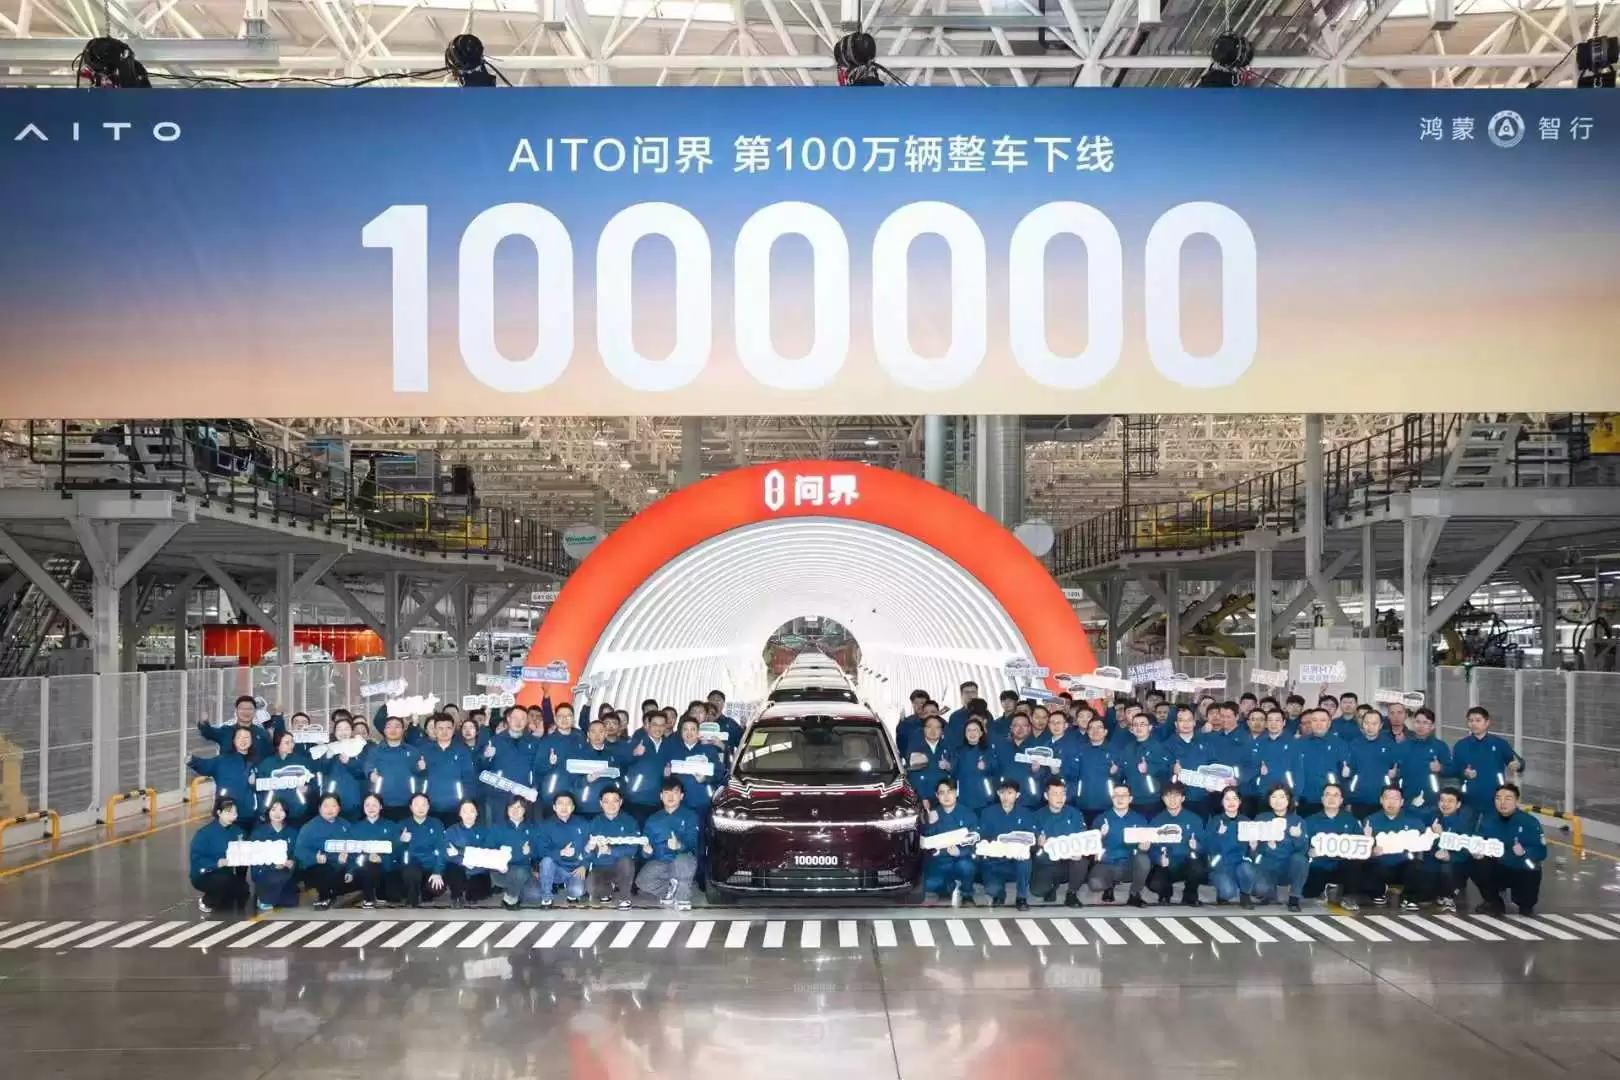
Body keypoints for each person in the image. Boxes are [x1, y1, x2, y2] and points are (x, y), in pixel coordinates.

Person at [1473, 783, 1545, 916]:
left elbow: (1542, 852)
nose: (1502, 802)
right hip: (1499, 866)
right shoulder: (1488, 819)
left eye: (1508, 798)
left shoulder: (1530, 822)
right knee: (1476, 863)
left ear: (1516, 800)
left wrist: (1525, 852)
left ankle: (1525, 902)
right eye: (1498, 798)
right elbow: (1478, 840)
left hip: (1522, 868)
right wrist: (1477, 851)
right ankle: (1493, 901)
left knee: (1526, 907)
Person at [1452, 707, 1525, 825]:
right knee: (1467, 831)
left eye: (1478, 720)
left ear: (1487, 722)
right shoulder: (1460, 745)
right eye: (1470, 721)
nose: (1474, 724)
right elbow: (1454, 769)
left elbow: (1518, 763)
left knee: (1493, 830)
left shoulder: (1499, 743)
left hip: (1495, 798)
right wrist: (1464, 772)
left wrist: (1516, 765)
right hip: (1469, 799)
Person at [638, 778, 701, 910]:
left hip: (683, 858)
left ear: (681, 796)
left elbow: (694, 841)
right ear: (661, 796)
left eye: (675, 792)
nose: (670, 796)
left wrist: (679, 845)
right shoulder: (652, 819)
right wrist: (646, 851)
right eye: (666, 793)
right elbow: (644, 848)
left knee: (682, 861)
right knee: (641, 881)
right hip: (661, 862)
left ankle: (682, 897)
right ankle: (670, 889)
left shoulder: (691, 816)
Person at [1302, 782, 1364, 911]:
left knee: (1356, 863)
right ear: (1322, 799)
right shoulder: (1309, 821)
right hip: (1318, 867)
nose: (1331, 798)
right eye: (1328, 794)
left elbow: (1360, 847)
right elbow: (1301, 846)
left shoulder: (1351, 821)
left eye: (1336, 795)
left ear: (1341, 800)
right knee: (1309, 894)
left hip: (1341, 867)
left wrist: (1367, 838)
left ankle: (1347, 896)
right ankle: (1328, 889)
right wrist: (1309, 851)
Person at [1363, 784, 1426, 910]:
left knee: (1417, 865)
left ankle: (1409, 898)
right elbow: (1362, 850)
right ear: (1381, 800)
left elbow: (1425, 842)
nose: (1391, 802)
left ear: (1402, 802)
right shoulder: (1370, 821)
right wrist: (1371, 849)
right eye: (1387, 798)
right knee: (1367, 867)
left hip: (1404, 865)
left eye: (1395, 798)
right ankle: (1379, 891)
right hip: (1381, 865)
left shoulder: (1414, 821)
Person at [1248, 785, 1309, 912]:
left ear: (1289, 800)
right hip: (1267, 866)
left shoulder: (1298, 821)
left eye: (1282, 797)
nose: (1278, 800)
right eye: (1274, 796)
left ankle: (1294, 899)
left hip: (1287, 867)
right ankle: (1269, 893)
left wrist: (1298, 837)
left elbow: (1303, 850)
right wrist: (1254, 847)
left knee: (1300, 860)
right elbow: (1254, 852)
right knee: (1259, 889)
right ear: (1269, 799)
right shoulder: (1261, 819)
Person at [977, 779, 1035, 910]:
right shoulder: (987, 813)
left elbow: (1032, 837)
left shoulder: (1025, 813)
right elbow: (981, 837)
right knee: (992, 890)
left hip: (1016, 861)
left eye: (1010, 793)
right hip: (995, 860)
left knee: (1025, 860)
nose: (1006, 797)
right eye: (1002, 793)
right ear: (998, 793)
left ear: (1017, 795)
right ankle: (999, 893)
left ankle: (1021, 898)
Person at [1090, 781, 1150, 907]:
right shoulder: (1101, 819)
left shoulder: (1139, 819)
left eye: (1124, 795)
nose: (1120, 798)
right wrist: (1100, 836)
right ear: (1112, 798)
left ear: (1130, 799)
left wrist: (1143, 847)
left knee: (1144, 860)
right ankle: (1109, 886)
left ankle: (1134, 894)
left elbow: (1146, 843)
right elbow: (1091, 845)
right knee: (1095, 884)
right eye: (1116, 795)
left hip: (1129, 864)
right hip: (1108, 862)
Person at [1146, 781, 1206, 906]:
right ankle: (1165, 893)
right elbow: (1151, 848)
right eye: (1168, 796)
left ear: (1183, 798)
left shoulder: (1195, 819)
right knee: (1154, 883)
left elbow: (1206, 844)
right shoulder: (1156, 821)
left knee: (1198, 869)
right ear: (1163, 799)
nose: (1172, 800)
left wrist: (1197, 846)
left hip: (1187, 863)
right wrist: (1158, 859)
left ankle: (1190, 895)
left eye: (1176, 796)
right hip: (1167, 864)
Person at [1031, 777, 1088, 907]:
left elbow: (1083, 838)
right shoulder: (1036, 816)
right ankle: (1052, 886)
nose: (1060, 798)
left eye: (1063, 793)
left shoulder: (1075, 814)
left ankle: (1072, 893)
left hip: (1069, 861)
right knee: (1037, 891)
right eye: (1055, 794)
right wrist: (1038, 843)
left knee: (1081, 861)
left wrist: (1079, 850)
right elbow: (1030, 847)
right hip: (1047, 861)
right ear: (1046, 796)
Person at [921, 778, 978, 906]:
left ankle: (967, 895)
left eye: (950, 791)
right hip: (939, 860)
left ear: (956, 793)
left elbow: (975, 842)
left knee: (967, 867)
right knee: (927, 885)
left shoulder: (968, 814)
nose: (946, 796)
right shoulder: (932, 814)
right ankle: (946, 889)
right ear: (937, 796)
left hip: (960, 859)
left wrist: (960, 852)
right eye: (942, 792)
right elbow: (925, 842)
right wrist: (931, 824)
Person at [189, 797, 250, 915]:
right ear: (219, 812)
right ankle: (206, 901)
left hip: (225, 874)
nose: (233, 816)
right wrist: (216, 863)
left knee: (243, 890)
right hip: (205, 874)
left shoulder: (239, 832)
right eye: (229, 813)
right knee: (222, 884)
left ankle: (222, 896)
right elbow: (197, 859)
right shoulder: (204, 834)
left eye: (235, 813)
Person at [293, 794, 354, 910]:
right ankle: (324, 896)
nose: (330, 810)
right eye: (325, 806)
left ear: (339, 808)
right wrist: (314, 858)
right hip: (319, 867)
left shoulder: (346, 825)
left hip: (342, 866)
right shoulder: (309, 827)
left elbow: (354, 849)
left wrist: (350, 869)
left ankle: (337, 892)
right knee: (324, 871)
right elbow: (299, 850)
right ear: (319, 808)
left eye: (333, 806)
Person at [482, 706, 540, 825]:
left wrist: (535, 786)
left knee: (523, 829)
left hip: (524, 795)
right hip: (500, 795)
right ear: (508, 719)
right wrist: (486, 756)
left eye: (523, 719)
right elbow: (482, 767)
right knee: (499, 829)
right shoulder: (495, 741)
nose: (519, 722)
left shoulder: (534, 742)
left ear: (527, 721)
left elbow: (538, 768)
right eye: (515, 718)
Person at [188, 725, 260, 819]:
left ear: (252, 741)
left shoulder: (258, 762)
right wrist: (192, 760)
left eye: (246, 737)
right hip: (225, 815)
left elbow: (264, 785)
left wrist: (255, 783)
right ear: (233, 740)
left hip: (249, 815)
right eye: (239, 737)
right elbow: (205, 765)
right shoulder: (222, 760)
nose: (243, 740)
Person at [584, 787, 640, 908]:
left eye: (615, 800)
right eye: (606, 801)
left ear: (621, 802)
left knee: (626, 862)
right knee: (592, 888)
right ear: (601, 803)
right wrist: (588, 849)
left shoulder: (630, 821)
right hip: (601, 867)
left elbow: (633, 849)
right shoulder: (594, 823)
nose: (611, 805)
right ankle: (608, 889)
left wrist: (610, 850)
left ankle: (624, 897)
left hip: (621, 866)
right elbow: (587, 853)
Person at [533, 791, 591, 908]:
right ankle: (547, 898)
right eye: (560, 803)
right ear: (554, 807)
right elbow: (541, 851)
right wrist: (560, 852)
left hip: (575, 869)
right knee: (546, 861)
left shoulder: (583, 824)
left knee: (576, 891)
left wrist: (584, 865)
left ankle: (570, 890)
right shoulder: (545, 826)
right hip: (556, 869)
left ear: (573, 807)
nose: (564, 807)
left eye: (568, 803)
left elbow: (590, 847)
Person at [365, 716, 428, 821]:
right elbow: (368, 765)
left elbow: (420, 774)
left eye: (397, 726)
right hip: (381, 804)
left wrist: (421, 769)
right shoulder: (375, 751)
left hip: (408, 804)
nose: (393, 730)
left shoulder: (412, 751)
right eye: (389, 727)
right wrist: (371, 774)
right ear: (384, 730)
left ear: (403, 730)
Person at [420, 712, 477, 826]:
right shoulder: (424, 751)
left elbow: (469, 779)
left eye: (448, 728)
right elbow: (419, 779)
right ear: (435, 730)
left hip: (456, 807)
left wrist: (466, 802)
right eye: (440, 728)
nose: (444, 732)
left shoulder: (462, 751)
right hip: (431, 807)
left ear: (453, 729)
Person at [1422, 787, 1472, 913]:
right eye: (1442, 800)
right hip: (1431, 864)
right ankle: (1435, 892)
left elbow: (1465, 852)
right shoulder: (1432, 818)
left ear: (1458, 804)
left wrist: (1442, 835)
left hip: (1454, 865)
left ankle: (1449, 896)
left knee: (1447, 866)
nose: (1445, 804)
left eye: (1450, 801)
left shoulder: (1463, 824)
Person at [350, 792, 401, 909]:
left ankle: (380, 890)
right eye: (367, 805)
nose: (371, 808)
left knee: (394, 897)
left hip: (387, 866)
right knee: (368, 866)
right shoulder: (355, 828)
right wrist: (365, 859)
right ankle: (368, 897)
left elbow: (397, 849)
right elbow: (353, 853)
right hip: (364, 867)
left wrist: (382, 859)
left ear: (381, 806)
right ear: (363, 807)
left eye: (374, 805)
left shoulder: (391, 826)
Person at [250, 797, 300, 912]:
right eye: (273, 810)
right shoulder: (258, 833)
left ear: (286, 813)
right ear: (268, 812)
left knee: (291, 902)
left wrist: (292, 862)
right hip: (264, 870)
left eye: (281, 810)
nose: (277, 813)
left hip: (286, 871)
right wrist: (272, 865)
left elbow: (297, 854)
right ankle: (264, 898)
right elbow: (254, 857)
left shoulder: (293, 832)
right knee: (274, 879)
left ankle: (271, 897)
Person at [397, 792, 447, 908]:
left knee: (437, 889)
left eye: (424, 804)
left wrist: (437, 872)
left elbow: (442, 849)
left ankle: (425, 893)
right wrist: (401, 840)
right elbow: (395, 850)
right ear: (411, 807)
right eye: (417, 805)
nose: (420, 808)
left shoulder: (436, 824)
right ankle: (412, 900)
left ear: (428, 807)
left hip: (430, 867)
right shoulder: (403, 824)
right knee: (410, 873)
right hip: (411, 867)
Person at [1345, 711, 1397, 821]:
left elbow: (1396, 769)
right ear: (1362, 724)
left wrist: (1395, 773)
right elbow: (1348, 775)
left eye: (1374, 723)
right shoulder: (1354, 744)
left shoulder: (1389, 744)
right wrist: (1348, 800)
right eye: (1367, 723)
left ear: (1381, 725)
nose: (1370, 727)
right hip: (1359, 799)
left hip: (1383, 799)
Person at [1201, 786, 1249, 906]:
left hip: (1240, 864)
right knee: (1228, 892)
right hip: (1221, 866)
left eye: (1234, 798)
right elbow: (1207, 847)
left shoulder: (1247, 821)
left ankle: (1245, 894)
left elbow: (1254, 852)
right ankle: (1225, 888)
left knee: (1248, 870)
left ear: (1240, 801)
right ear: (1222, 802)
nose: (1231, 802)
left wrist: (1253, 846)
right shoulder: (1215, 821)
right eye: (1227, 799)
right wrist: (1219, 834)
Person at [570, 719, 629, 817]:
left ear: (605, 734)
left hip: (609, 807)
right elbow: (572, 781)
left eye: (601, 732)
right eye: (593, 732)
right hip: (587, 806)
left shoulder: (613, 755)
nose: (597, 735)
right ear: (588, 734)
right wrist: (587, 779)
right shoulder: (579, 755)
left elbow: (620, 776)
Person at [1398, 708, 1451, 814]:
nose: (1420, 726)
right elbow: (1396, 769)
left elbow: (1451, 770)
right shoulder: (1404, 745)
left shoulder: (1440, 746)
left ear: (1432, 726)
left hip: (1432, 802)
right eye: (1417, 722)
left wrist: (1440, 768)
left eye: (1425, 722)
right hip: (1407, 800)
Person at [486, 796, 537, 909]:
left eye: (519, 807)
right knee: (519, 874)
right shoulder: (497, 828)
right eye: (512, 807)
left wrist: (531, 851)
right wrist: (498, 863)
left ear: (525, 810)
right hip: (501, 871)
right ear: (507, 809)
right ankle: (510, 898)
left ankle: (515, 890)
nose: (515, 810)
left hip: (524, 870)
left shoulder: (532, 828)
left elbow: (539, 852)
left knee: (535, 897)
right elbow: (488, 850)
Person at [443, 799, 494, 908]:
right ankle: (456, 896)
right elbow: (448, 854)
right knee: (452, 869)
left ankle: (471, 891)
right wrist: (464, 861)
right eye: (465, 811)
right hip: (459, 868)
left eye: (472, 811)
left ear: (477, 813)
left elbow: (487, 852)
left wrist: (462, 853)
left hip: (478, 869)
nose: (468, 815)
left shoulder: (484, 831)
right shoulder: (451, 831)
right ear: (460, 813)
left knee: (477, 896)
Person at [259, 730, 317, 825]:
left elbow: (314, 783)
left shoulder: (303, 761)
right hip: (274, 812)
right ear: (278, 744)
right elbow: (259, 788)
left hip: (297, 810)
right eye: (287, 743)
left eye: (292, 742)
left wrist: (307, 788)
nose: (291, 745)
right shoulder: (267, 764)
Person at [624, 711, 671, 825]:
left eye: (662, 725)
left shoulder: (669, 745)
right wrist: (634, 754)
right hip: (637, 800)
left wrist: (667, 776)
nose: (658, 728)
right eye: (655, 724)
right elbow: (622, 763)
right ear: (647, 726)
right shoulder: (636, 742)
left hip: (660, 800)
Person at [1120, 712, 1170, 819]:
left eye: (1142, 724)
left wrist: (1149, 768)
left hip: (1152, 801)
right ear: (1131, 729)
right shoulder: (1128, 748)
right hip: (1132, 801)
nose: (1138, 727)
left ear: (1150, 727)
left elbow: (1167, 771)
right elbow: (1123, 773)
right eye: (1135, 725)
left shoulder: (1158, 747)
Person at [317, 716, 367, 820]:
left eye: (346, 728)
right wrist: (328, 757)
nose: (343, 732)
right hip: (332, 803)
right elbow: (322, 770)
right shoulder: (328, 748)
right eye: (339, 729)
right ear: (334, 732)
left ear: (352, 731)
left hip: (353, 802)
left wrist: (349, 762)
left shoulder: (359, 748)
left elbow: (363, 773)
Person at [198, 695, 277, 758]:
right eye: (242, 709)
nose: (246, 712)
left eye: (249, 709)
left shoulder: (261, 732)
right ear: (236, 711)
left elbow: (269, 754)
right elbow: (208, 732)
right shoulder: (226, 729)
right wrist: (204, 723)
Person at [906, 715, 953, 812]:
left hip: (946, 796)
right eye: (929, 726)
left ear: (942, 731)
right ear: (924, 729)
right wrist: (922, 797)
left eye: (937, 727)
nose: (933, 730)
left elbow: (957, 768)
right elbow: (913, 775)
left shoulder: (948, 746)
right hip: (926, 797)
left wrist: (949, 766)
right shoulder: (915, 748)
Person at [953, 717, 999, 814]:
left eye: (975, 730)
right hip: (965, 797)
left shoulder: (989, 750)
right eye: (969, 730)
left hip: (985, 798)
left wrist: (986, 767)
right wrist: (948, 766)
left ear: (981, 733)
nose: (972, 733)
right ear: (965, 734)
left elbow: (997, 770)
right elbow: (954, 773)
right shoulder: (958, 751)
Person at [896, 690, 930, 759]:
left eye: (922, 703)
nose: (919, 706)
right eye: (916, 703)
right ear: (912, 704)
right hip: (913, 763)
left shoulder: (939, 722)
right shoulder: (905, 724)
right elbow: (901, 746)